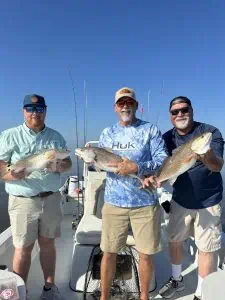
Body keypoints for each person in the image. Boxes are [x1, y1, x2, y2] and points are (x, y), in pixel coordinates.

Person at [143, 96, 224, 300]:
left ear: (192, 110)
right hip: (179, 199)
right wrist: (154, 177)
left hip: (209, 201)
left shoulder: (209, 132)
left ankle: (201, 292)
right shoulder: (166, 138)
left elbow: (217, 166)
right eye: (175, 112)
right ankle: (177, 279)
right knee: (174, 240)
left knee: (205, 249)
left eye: (184, 110)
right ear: (170, 116)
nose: (180, 114)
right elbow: (160, 164)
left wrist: (205, 154)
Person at [0, 94, 72, 300]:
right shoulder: (9, 135)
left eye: (39, 109)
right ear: (23, 111)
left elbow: (67, 164)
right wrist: (10, 174)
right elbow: (1, 166)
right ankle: (19, 292)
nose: (35, 113)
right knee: (23, 247)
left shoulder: (56, 137)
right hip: (23, 200)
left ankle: (49, 288)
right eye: (30, 109)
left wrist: (59, 165)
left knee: (48, 243)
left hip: (50, 198)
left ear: (45, 111)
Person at [98, 87, 168, 300]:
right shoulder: (107, 133)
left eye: (129, 102)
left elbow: (162, 159)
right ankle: (104, 297)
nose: (125, 106)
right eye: (121, 103)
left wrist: (136, 167)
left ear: (136, 106)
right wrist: (91, 160)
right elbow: (100, 164)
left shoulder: (150, 130)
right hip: (114, 203)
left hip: (145, 202)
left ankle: (144, 296)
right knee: (109, 253)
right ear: (115, 108)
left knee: (145, 254)